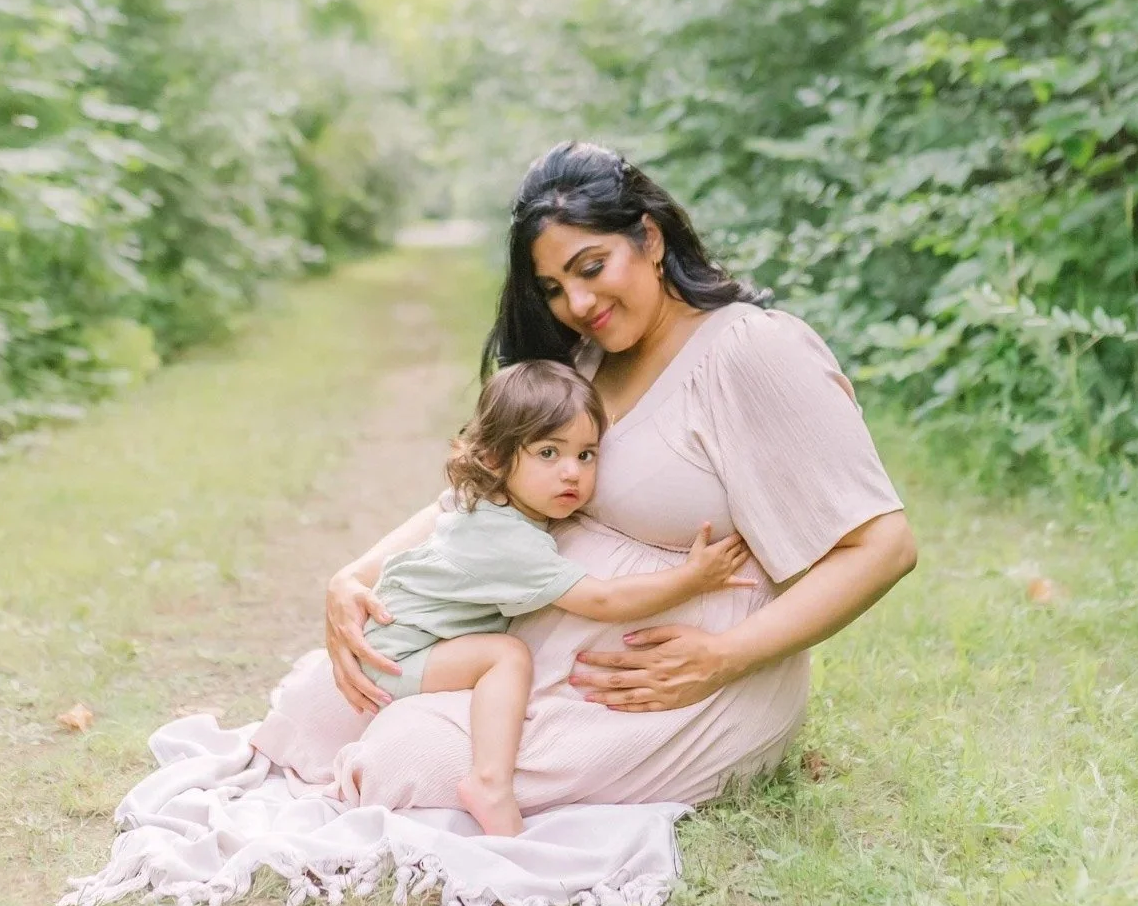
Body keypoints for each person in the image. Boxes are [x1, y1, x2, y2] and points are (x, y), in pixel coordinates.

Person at [249, 141, 917, 813]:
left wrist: (723, 656)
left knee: (401, 765)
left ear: (649, 238)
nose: (576, 300)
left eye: (590, 267)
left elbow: (883, 546)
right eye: (553, 288)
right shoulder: (588, 361)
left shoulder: (751, 350)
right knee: (318, 707)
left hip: (675, 685)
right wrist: (354, 577)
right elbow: (483, 496)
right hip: (531, 654)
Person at [350, 359, 754, 834]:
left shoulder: (498, 506)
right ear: (495, 458)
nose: (571, 473)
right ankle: (490, 782)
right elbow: (603, 601)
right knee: (506, 656)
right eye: (548, 453)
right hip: (398, 659)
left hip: (399, 643)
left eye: (586, 455)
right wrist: (690, 580)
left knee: (500, 653)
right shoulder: (509, 542)